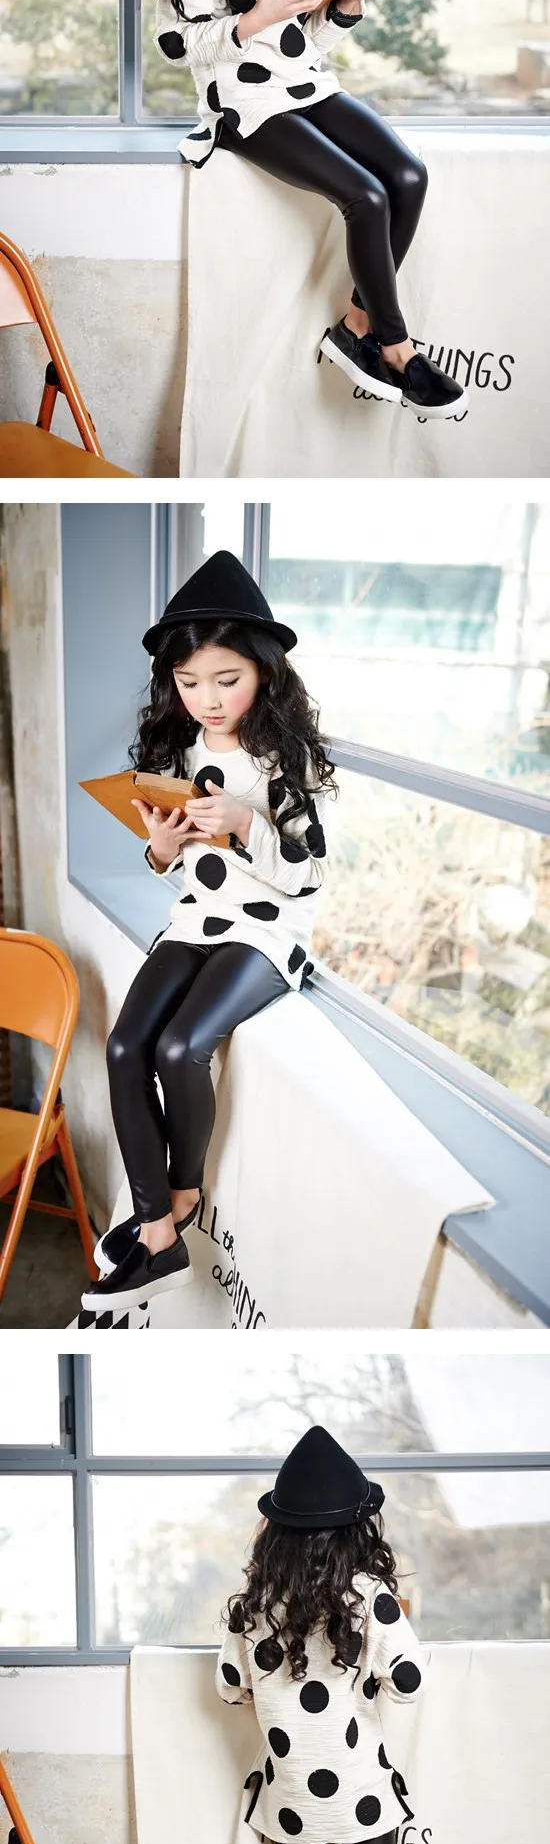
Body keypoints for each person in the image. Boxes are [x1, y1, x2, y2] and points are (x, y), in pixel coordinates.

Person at [149, 0, 467, 425]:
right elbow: (177, 46)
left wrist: (344, 7)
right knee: (366, 196)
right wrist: (253, 20)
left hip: (309, 86)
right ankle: (396, 350)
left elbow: (305, 43)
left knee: (407, 176)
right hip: (243, 107)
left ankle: (356, 328)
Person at [80, 547, 333, 1316]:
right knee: (124, 1048)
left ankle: (180, 1198)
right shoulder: (177, 749)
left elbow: (310, 875)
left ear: (264, 672)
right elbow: (186, 869)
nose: (208, 699)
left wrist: (248, 825)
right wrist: (160, 850)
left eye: (227, 679)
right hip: (195, 922)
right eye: (189, 683)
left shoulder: (284, 760)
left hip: (267, 932)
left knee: (180, 1047)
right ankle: (158, 1233)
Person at [217, 1418, 436, 1844]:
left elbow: (229, 1689)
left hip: (289, 1793)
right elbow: (410, 1682)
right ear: (353, 1527)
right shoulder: (369, 1594)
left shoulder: (254, 1605)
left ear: (279, 1529)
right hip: (363, 1790)